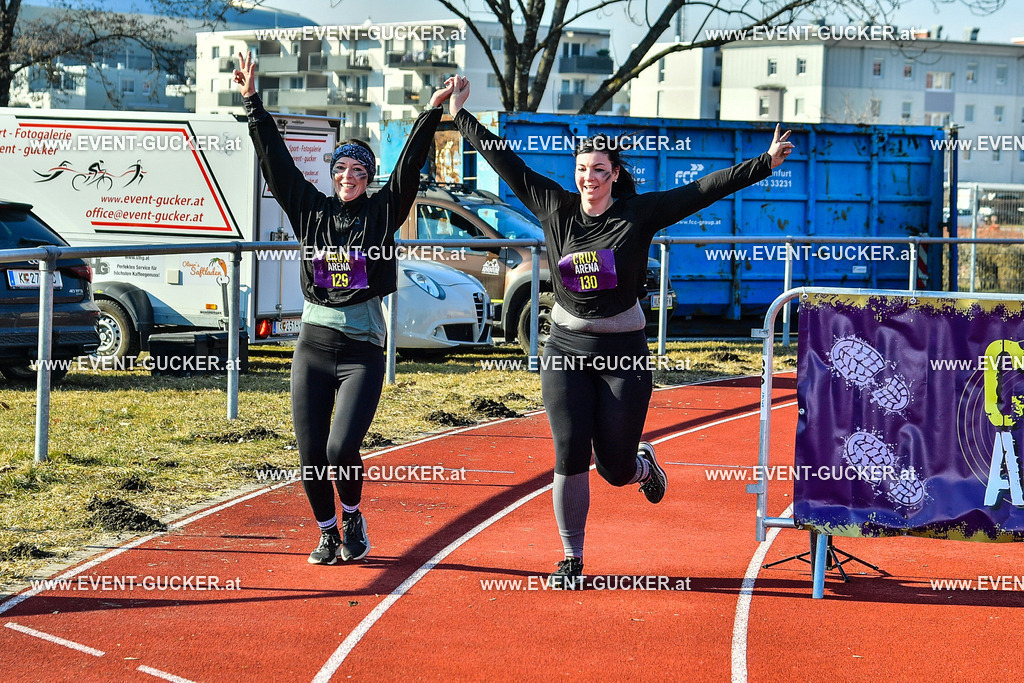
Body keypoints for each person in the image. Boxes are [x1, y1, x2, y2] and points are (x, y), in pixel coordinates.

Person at [448, 75, 794, 587]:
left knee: (612, 467)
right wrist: (460, 115)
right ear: (576, 173)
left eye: (599, 171)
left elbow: (701, 191)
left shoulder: (638, 215)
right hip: (564, 347)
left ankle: (641, 466)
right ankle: (572, 557)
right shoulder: (555, 207)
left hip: (623, 354)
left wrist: (762, 164)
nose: (590, 178)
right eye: (583, 170)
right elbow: (507, 162)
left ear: (614, 174)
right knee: (568, 451)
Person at [234, 53, 454, 565]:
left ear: (369, 177)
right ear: (332, 174)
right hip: (312, 345)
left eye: (359, 170)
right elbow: (277, 163)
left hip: (361, 351)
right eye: (342, 168)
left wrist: (433, 111)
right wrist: (252, 102)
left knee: (338, 451)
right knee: (310, 458)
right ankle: (329, 532)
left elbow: (410, 167)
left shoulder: (383, 211)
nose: (349, 176)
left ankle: (353, 515)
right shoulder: (309, 209)